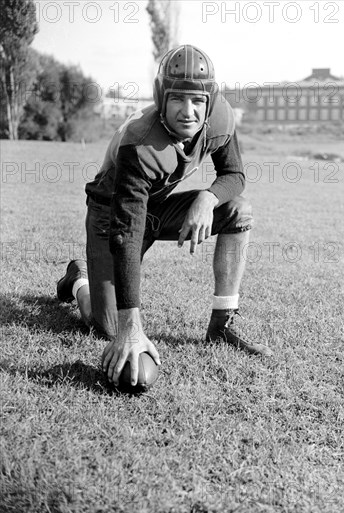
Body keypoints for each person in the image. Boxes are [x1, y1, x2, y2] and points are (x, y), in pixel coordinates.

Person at [56, 44, 272, 387]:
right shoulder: (139, 141)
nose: (188, 111)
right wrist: (131, 330)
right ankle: (78, 278)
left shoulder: (220, 118)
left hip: (158, 206)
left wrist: (207, 197)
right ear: (161, 98)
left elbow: (235, 175)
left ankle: (222, 324)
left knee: (239, 210)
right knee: (108, 326)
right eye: (177, 100)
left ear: (210, 101)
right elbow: (126, 231)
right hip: (112, 213)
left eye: (197, 101)